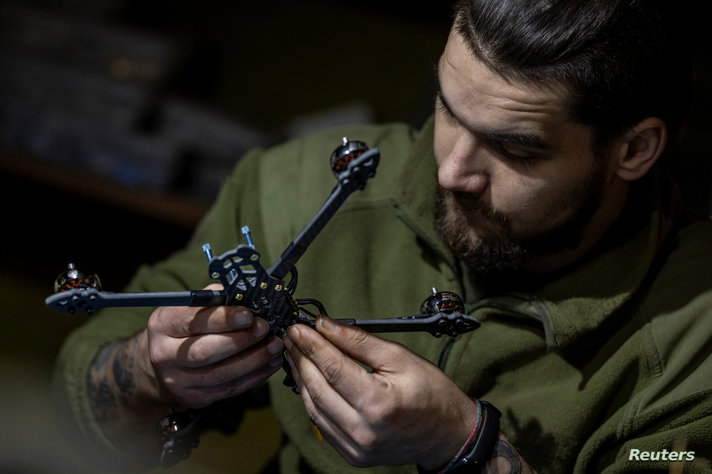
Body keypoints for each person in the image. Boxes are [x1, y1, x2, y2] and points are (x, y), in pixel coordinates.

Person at [54, 0, 712, 472]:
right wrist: (151, 371)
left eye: (516, 150)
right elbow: (82, 381)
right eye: (449, 111)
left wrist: (465, 449)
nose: (451, 170)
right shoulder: (298, 186)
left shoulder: (694, 337)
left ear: (634, 148)